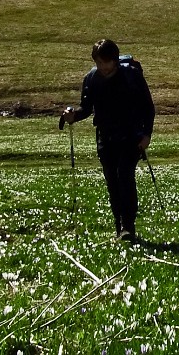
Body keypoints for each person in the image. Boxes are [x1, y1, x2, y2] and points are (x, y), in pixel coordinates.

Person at [61, 39, 155, 240]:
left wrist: (147, 134)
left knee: (125, 176)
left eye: (106, 62)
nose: (103, 67)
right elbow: (86, 109)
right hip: (106, 137)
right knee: (112, 181)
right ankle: (119, 226)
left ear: (114, 60)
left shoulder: (132, 76)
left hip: (131, 136)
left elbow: (148, 107)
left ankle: (127, 225)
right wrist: (72, 115)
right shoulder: (92, 78)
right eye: (99, 62)